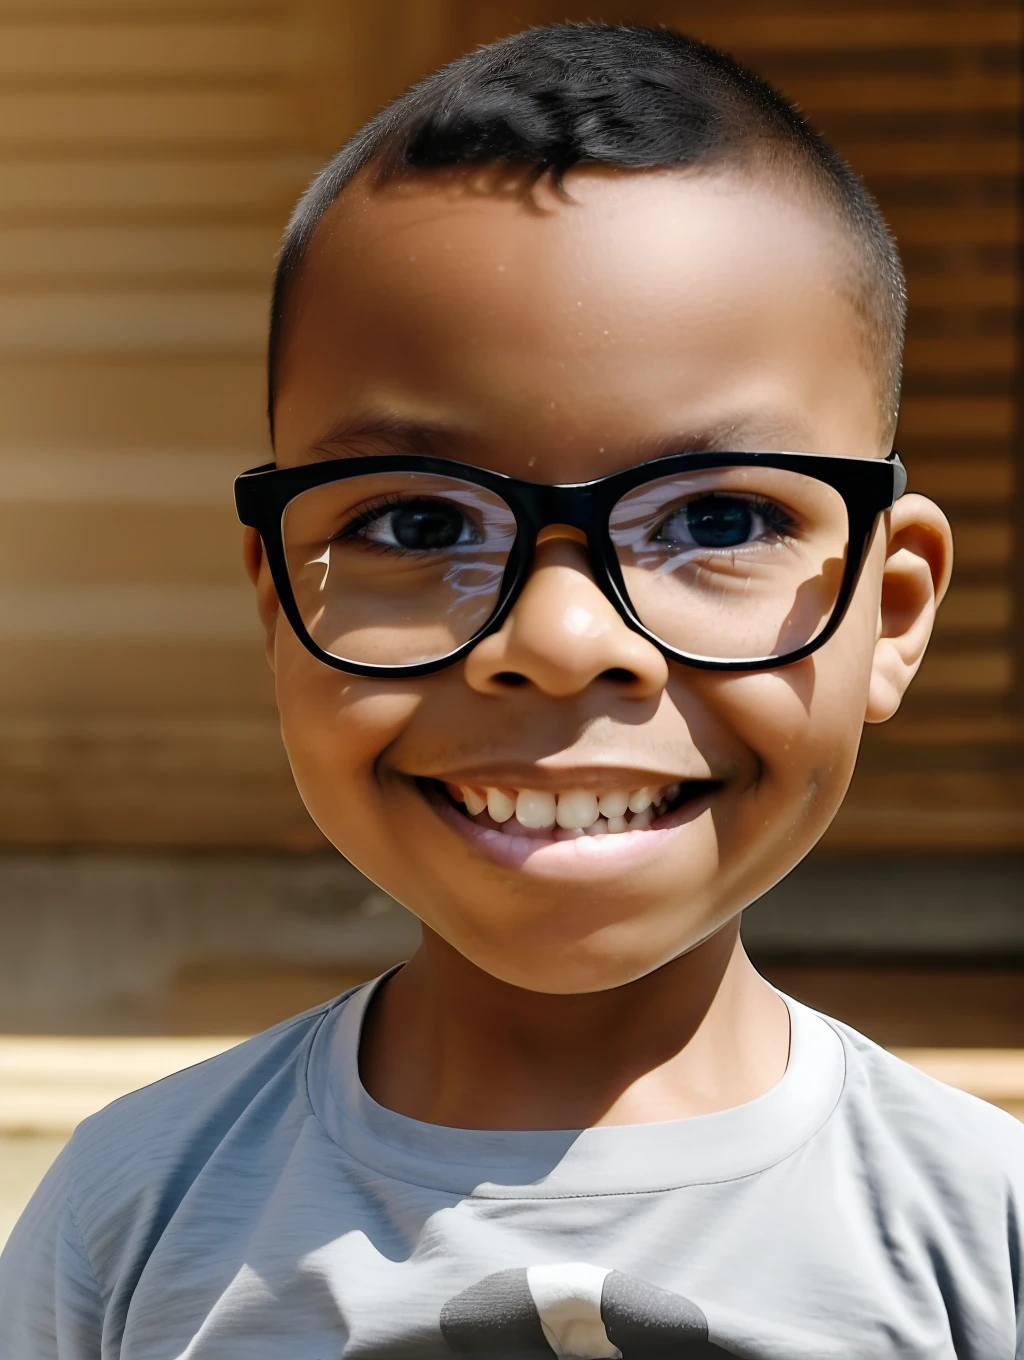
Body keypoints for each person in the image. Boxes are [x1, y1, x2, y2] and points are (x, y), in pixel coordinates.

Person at [2, 21, 1020, 1358]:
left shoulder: (984, 1235)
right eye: (419, 528)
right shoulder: (131, 1213)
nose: (557, 636)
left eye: (716, 521)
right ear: (280, 601)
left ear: (890, 612)